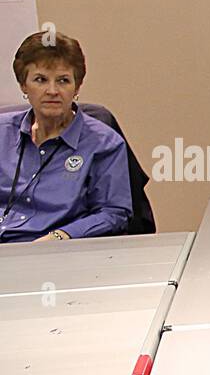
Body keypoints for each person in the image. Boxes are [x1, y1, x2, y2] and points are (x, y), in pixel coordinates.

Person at [0, 31, 129, 243]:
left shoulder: (103, 143)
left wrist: (60, 237)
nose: (52, 91)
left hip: (59, 253)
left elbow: (113, 212)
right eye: (40, 80)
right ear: (24, 85)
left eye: (63, 81)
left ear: (76, 87)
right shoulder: (3, 132)